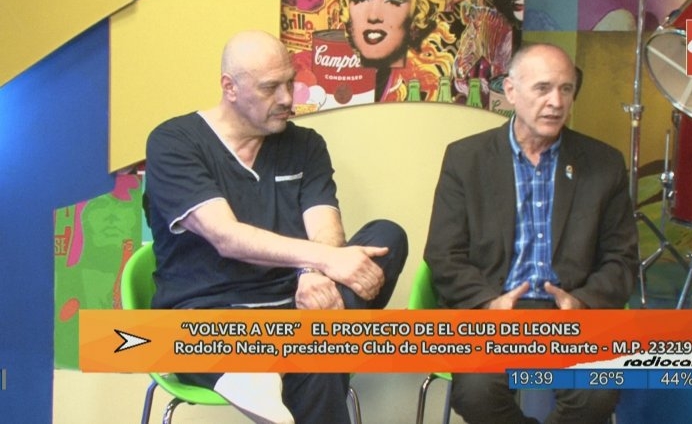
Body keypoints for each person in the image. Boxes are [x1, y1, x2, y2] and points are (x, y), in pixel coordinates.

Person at [144, 30, 408, 423]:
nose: (287, 98)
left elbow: (325, 225)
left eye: (290, 82)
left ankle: (265, 365)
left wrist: (311, 271)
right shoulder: (174, 142)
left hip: (295, 306)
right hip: (206, 317)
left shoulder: (305, 145)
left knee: (386, 237)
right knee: (324, 349)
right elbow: (226, 236)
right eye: (270, 88)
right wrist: (325, 261)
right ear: (230, 88)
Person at [424, 43, 639, 424]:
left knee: (597, 393)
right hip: (494, 308)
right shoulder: (466, 158)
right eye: (543, 88)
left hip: (569, 312)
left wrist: (582, 302)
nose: (556, 102)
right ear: (510, 91)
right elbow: (443, 253)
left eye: (566, 89)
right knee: (476, 393)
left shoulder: (604, 164)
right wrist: (487, 304)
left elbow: (621, 259)